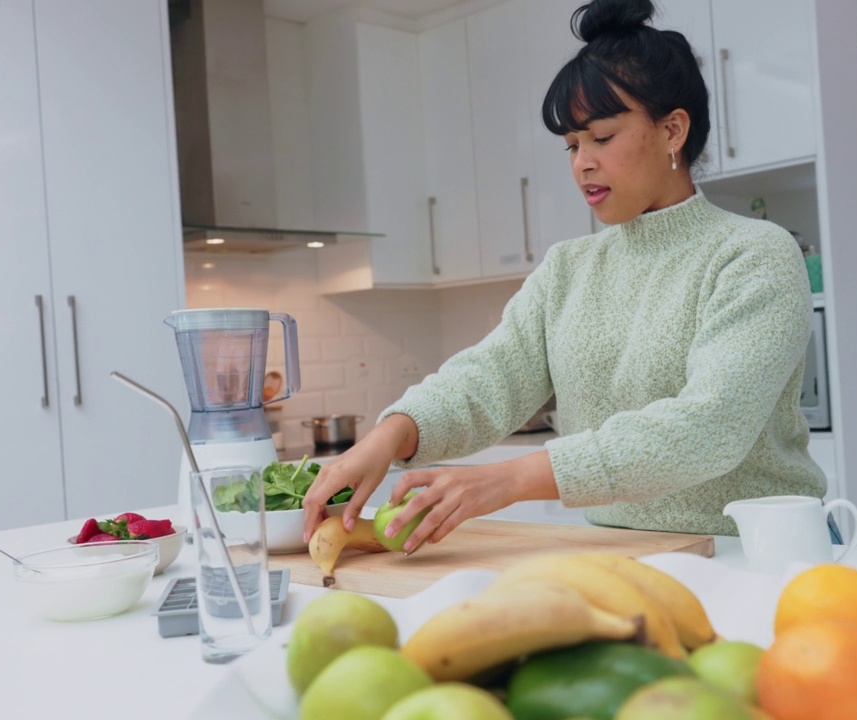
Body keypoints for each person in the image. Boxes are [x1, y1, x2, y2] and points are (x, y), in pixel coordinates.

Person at [301, 0, 827, 553]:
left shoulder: (752, 255)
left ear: (673, 130)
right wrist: (390, 435)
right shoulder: (568, 269)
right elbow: (489, 378)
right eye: (572, 145)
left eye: (601, 138)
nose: (581, 163)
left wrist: (508, 480)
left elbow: (710, 427)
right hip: (619, 554)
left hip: (755, 554)